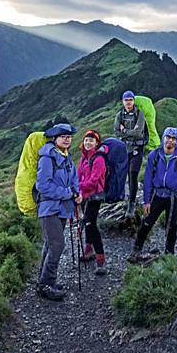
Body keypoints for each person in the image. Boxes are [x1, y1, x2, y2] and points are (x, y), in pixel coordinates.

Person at [127, 127, 177, 262]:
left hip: (174, 197)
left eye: (173, 139)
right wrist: (147, 201)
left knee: (172, 226)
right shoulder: (154, 155)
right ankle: (136, 249)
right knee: (147, 222)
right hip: (157, 195)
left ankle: (169, 255)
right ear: (163, 138)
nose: (170, 141)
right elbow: (148, 179)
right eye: (168, 137)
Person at [35, 122, 82, 300]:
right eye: (63, 137)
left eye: (69, 137)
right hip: (49, 208)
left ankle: (44, 282)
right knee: (57, 244)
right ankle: (47, 284)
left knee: (50, 243)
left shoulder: (67, 156)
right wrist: (67, 193)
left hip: (62, 208)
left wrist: (78, 194)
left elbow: (74, 179)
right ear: (55, 138)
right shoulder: (47, 158)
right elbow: (42, 185)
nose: (67, 139)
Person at [77, 129, 108, 275]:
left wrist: (78, 188)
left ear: (97, 143)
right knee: (88, 223)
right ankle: (88, 250)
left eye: (91, 140)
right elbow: (78, 175)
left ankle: (101, 261)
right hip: (84, 197)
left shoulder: (99, 159)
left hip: (94, 196)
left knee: (91, 225)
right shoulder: (84, 158)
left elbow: (94, 181)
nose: (88, 142)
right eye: (86, 140)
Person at [114, 90, 147, 218]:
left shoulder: (140, 114)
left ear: (134, 101)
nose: (128, 102)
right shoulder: (119, 115)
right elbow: (116, 132)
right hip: (124, 149)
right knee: (122, 173)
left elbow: (138, 132)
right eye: (126, 100)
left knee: (133, 174)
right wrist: (129, 131)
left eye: (130, 100)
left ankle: (132, 204)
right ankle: (120, 197)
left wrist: (125, 130)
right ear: (123, 101)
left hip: (137, 149)